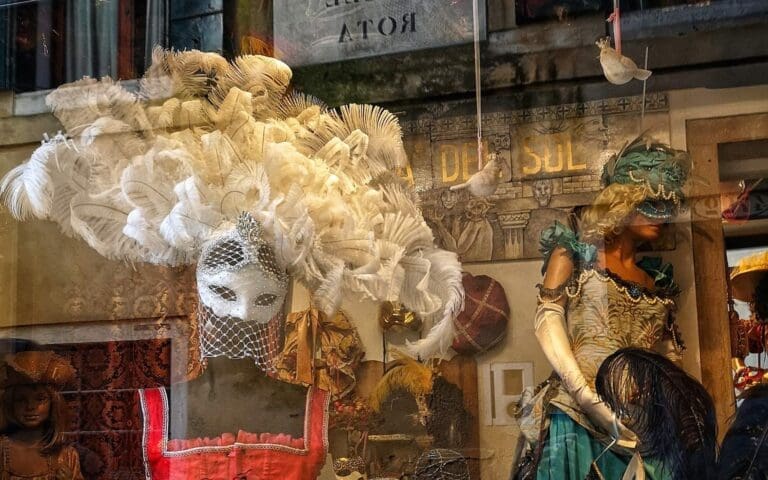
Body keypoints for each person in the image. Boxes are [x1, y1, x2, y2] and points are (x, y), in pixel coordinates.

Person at [515, 137, 690, 479]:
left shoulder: (655, 282)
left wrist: (676, 412)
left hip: (641, 425)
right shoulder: (575, 254)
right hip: (576, 418)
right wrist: (585, 396)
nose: (662, 216)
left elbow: (669, 360)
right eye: (650, 203)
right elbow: (547, 319)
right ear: (623, 201)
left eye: (666, 207)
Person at [0, 350, 83, 480]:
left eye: (40, 399)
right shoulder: (2, 452)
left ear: (53, 403)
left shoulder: (66, 456)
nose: (30, 407)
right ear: (11, 404)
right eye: (21, 400)